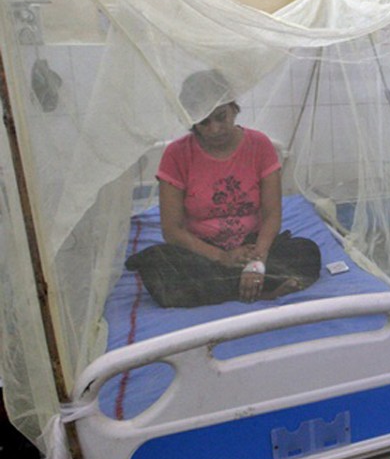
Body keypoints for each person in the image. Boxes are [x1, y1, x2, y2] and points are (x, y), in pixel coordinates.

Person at [126, 69, 321, 307]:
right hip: (202, 252)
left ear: (233, 108)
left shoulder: (260, 146)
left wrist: (256, 262)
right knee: (158, 264)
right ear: (192, 121)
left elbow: (272, 215)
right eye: (204, 122)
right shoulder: (176, 155)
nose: (214, 129)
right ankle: (260, 289)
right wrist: (222, 257)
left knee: (307, 252)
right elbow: (173, 230)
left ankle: (235, 286)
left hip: (254, 245)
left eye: (221, 117)